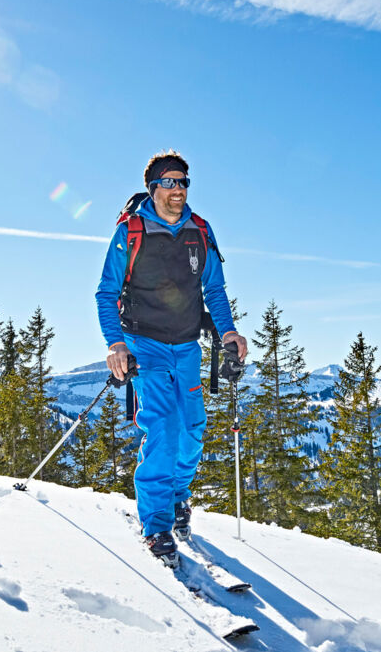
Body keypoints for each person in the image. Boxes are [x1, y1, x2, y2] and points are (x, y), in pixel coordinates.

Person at [95, 150, 247, 567]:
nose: (178, 189)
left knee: (193, 429)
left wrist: (228, 331)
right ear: (153, 187)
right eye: (170, 182)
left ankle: (179, 497)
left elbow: (214, 289)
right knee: (163, 428)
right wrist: (115, 344)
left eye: (183, 182)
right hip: (143, 343)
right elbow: (106, 293)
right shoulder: (130, 231)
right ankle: (157, 526)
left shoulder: (200, 230)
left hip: (186, 345)